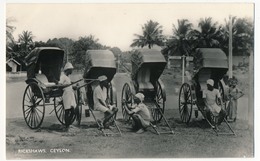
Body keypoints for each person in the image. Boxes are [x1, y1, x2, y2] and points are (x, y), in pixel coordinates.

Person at [59, 62, 76, 131]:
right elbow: (60, 85)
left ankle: (68, 124)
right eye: (71, 70)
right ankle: (67, 126)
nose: (72, 71)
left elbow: (70, 85)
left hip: (71, 94)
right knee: (67, 110)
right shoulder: (63, 77)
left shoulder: (68, 77)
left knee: (73, 110)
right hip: (66, 94)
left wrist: (73, 86)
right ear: (68, 70)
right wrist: (66, 85)